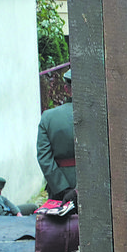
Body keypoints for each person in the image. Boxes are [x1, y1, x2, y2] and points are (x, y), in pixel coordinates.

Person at [37, 70, 76, 201]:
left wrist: (62, 188)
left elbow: (44, 158)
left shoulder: (48, 117)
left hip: (60, 185)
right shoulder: (103, 115)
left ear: (66, 89)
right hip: (95, 184)